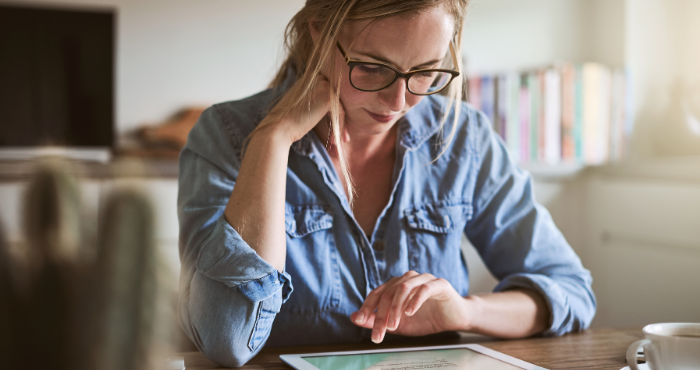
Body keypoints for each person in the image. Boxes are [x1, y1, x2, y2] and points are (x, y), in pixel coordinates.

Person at [177, 0, 596, 367]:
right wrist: (273, 140)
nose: (399, 103)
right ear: (319, 34)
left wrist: (465, 313)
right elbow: (226, 340)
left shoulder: (463, 139)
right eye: (373, 68)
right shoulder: (227, 137)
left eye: (426, 72)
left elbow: (570, 291)